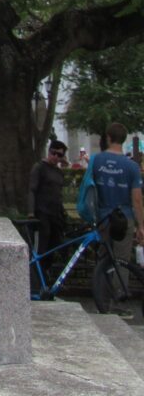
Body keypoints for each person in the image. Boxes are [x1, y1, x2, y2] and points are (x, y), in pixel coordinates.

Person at [93, 122, 144, 316]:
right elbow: (137, 199)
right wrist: (141, 225)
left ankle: (102, 301)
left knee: (103, 260)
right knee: (121, 260)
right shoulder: (131, 166)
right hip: (125, 217)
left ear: (108, 137)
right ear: (123, 139)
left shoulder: (97, 161)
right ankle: (119, 302)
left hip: (103, 216)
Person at [28, 140, 68, 280]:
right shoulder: (39, 168)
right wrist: (31, 213)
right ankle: (36, 278)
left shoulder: (59, 172)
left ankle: (45, 275)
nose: (55, 157)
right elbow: (32, 190)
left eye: (59, 155)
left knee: (53, 247)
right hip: (42, 214)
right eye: (53, 153)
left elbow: (59, 194)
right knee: (41, 248)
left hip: (55, 216)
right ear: (49, 151)